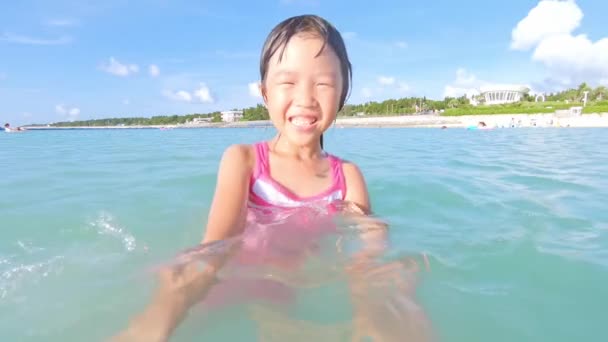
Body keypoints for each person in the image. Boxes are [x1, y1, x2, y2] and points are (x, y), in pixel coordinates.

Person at [112, 14, 431, 342]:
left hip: (288, 287)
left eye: (323, 84)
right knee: (178, 292)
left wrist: (376, 298)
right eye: (288, 82)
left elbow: (366, 253)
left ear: (342, 96)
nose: (305, 98)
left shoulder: (348, 176)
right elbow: (216, 246)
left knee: (388, 294)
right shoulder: (244, 161)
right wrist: (180, 289)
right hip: (227, 278)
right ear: (265, 93)